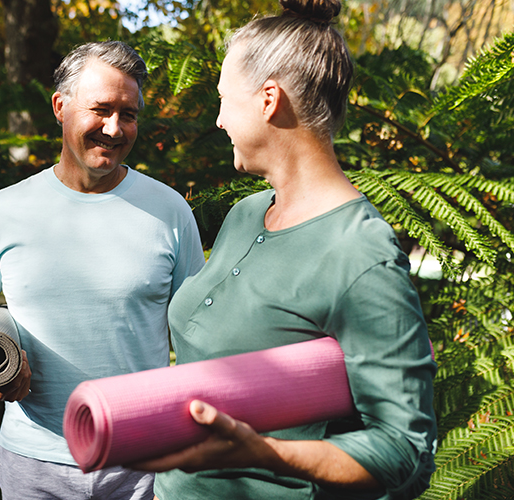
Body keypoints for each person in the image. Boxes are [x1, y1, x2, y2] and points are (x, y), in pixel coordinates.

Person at [133, 1, 437, 499]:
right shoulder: (245, 214)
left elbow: (407, 451)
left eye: (224, 100)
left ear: (269, 99)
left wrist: (263, 453)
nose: (218, 120)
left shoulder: (360, 255)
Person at [0, 41, 205, 500]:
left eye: (128, 114)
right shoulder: (4, 210)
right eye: (101, 109)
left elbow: (199, 331)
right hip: (32, 465)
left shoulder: (170, 210)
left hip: (141, 465)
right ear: (60, 107)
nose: (114, 128)